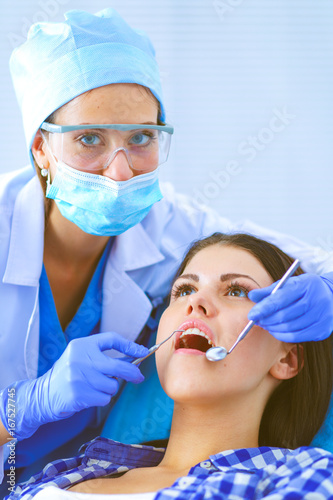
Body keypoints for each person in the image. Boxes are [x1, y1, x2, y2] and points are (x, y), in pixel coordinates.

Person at [1, 6, 333, 488]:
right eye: (89, 138)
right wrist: (24, 407)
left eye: (141, 138)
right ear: (41, 149)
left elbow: (302, 262)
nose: (120, 171)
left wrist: (325, 291)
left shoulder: (171, 227)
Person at [5, 233, 333, 499]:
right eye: (184, 289)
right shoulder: (70, 471)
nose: (196, 302)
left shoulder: (301, 478)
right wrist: (17, 411)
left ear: (287, 358)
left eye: (235, 291)